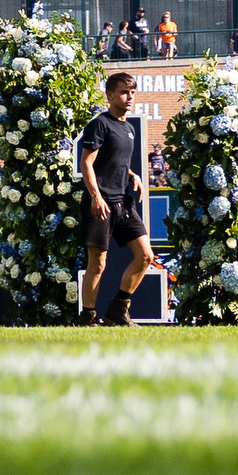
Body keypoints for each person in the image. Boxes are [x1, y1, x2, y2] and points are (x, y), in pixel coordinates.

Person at [74, 68, 160, 324]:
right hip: (100, 203)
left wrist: (133, 175)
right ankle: (88, 317)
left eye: (132, 92)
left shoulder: (128, 128)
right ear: (110, 95)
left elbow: (115, 160)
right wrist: (96, 197)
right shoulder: (99, 124)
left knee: (146, 256)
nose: (129, 97)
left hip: (123, 203)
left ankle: (117, 310)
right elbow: (86, 163)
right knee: (98, 264)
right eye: (124, 93)